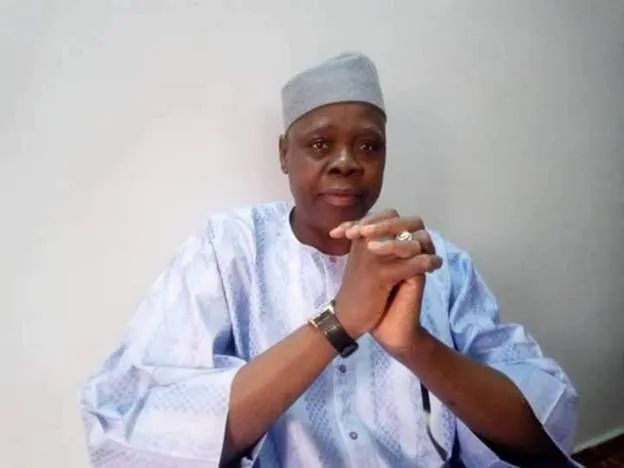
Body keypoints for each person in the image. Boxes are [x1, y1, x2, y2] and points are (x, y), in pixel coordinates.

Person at [80, 53, 578, 467]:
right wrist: (339, 320)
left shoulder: (434, 261)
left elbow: (538, 434)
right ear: (284, 153)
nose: (346, 162)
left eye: (369, 146)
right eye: (320, 144)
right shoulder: (228, 248)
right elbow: (134, 430)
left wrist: (415, 346)